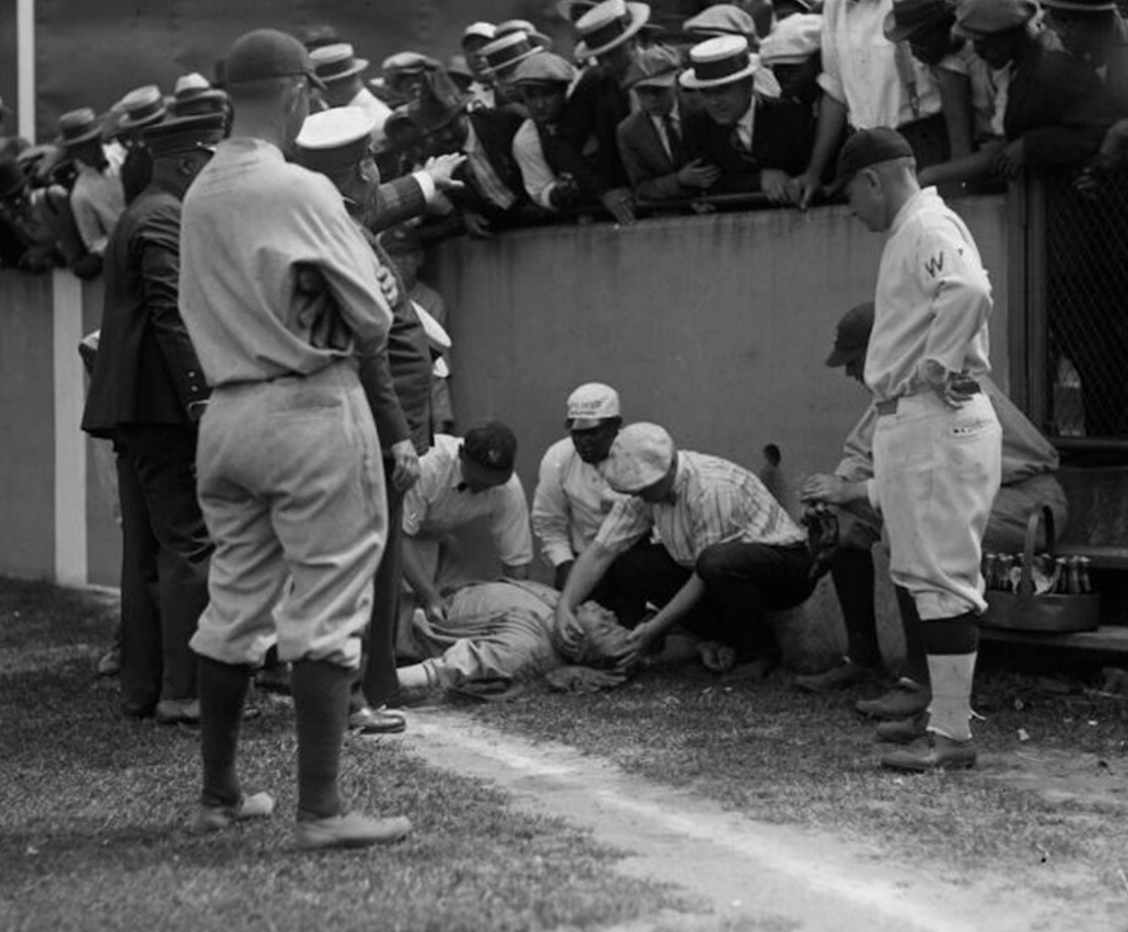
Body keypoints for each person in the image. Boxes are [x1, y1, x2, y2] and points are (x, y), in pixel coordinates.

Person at [178, 28, 410, 850]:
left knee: (235, 602)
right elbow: (377, 319)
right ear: (297, 92)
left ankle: (220, 795)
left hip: (226, 410)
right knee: (327, 602)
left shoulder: (200, 190)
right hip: (309, 404)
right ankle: (322, 811)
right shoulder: (300, 188)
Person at [805, 128, 1001, 772]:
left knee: (943, 580)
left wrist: (942, 363)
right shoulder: (913, 229)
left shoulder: (926, 223)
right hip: (914, 419)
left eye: (852, 195)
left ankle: (951, 737)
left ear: (874, 179)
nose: (853, 210)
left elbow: (969, 291)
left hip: (935, 415)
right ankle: (943, 723)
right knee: (924, 576)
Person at [796, 302, 1068, 730]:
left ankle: (920, 680)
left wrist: (852, 491)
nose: (850, 373)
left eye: (853, 360)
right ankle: (861, 655)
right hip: (956, 493)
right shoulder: (897, 383)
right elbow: (864, 451)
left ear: (882, 346)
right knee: (850, 530)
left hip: (1024, 500)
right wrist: (832, 491)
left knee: (909, 532)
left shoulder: (945, 378)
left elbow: (942, 473)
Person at [294, 106, 442, 737]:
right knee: (364, 562)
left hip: (375, 421)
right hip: (374, 424)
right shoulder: (343, 235)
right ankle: (355, 694)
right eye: (373, 161)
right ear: (361, 170)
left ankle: (371, 686)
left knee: (376, 560)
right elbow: (371, 349)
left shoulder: (342, 222)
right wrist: (398, 437)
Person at [80, 114, 224, 725]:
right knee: (189, 545)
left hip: (133, 410)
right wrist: (201, 397)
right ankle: (184, 691)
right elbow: (172, 312)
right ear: (191, 162)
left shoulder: (139, 213)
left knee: (145, 553)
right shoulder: (166, 216)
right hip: (163, 410)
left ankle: (143, 689)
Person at [555, 422, 815, 674]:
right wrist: (566, 605)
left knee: (715, 563)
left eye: (643, 488)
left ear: (666, 470)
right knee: (633, 561)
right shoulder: (645, 493)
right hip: (708, 568)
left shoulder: (712, 489)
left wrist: (656, 626)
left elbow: (705, 573)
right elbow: (602, 550)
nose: (638, 495)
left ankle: (758, 652)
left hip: (784, 569)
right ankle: (713, 639)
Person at [790, 0, 946, 209]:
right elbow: (835, 90)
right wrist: (813, 173)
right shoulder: (835, 7)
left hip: (922, 142)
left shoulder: (908, 4)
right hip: (866, 149)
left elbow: (951, 73)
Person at [401, 422, 534, 642]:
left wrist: (518, 608)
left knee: (457, 601)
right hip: (384, 528)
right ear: (461, 455)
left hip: (434, 534)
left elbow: (517, 561)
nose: (484, 487)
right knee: (403, 607)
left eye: (493, 482)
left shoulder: (509, 488)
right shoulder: (428, 466)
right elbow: (400, 538)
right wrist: (430, 597)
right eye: (479, 478)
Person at [396, 579, 630, 698]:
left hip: (399, 621)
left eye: (605, 627)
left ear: (576, 646)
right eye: (614, 621)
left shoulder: (526, 647)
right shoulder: (565, 608)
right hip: (433, 589)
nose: (610, 614)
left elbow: (446, 669)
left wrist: (377, 681)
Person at [680, 34, 812, 200]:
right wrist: (759, 180)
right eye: (706, 93)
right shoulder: (696, 126)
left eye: (723, 90)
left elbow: (811, 174)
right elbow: (707, 185)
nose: (715, 102)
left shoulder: (790, 117)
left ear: (748, 83)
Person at [559, 0, 653, 224]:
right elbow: (563, 143)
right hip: (624, 202)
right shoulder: (595, 82)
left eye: (614, 53)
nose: (607, 63)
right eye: (601, 56)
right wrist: (602, 191)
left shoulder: (664, 67)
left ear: (632, 41)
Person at [532, 383, 626, 590]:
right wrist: (564, 565)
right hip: (583, 560)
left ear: (616, 426)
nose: (584, 442)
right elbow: (549, 523)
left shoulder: (637, 456)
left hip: (632, 560)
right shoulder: (558, 458)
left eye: (593, 433)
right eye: (577, 433)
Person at [617, 44, 718, 202]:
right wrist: (678, 180)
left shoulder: (704, 108)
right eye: (643, 91)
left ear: (676, 82)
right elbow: (641, 188)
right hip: (672, 213)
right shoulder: (629, 131)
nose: (652, 99)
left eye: (658, 90)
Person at [59, 107, 126, 258]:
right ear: (73, 153)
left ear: (98, 139)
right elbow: (94, 242)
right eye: (78, 148)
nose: (85, 152)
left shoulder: (125, 155)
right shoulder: (80, 194)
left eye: (89, 142)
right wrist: (120, 246)